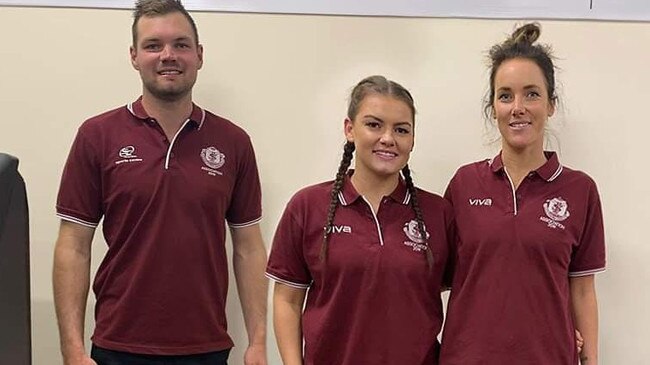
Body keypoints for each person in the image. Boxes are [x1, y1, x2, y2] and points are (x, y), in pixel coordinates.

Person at [52, 1, 268, 364]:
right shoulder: (97, 136)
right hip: (117, 346)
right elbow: (73, 246)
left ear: (199, 55)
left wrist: (259, 343)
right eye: (154, 45)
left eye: (181, 44)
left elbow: (248, 247)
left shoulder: (233, 142)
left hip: (206, 347)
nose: (168, 55)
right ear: (134, 56)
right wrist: (71, 350)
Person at [439, 23, 606, 365]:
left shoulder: (580, 190)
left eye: (531, 93)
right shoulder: (464, 184)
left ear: (551, 105)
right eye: (505, 95)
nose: (518, 107)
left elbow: (583, 290)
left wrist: (589, 358)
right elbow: (436, 279)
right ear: (493, 107)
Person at [266, 75, 455, 365]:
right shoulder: (307, 206)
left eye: (401, 129)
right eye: (374, 124)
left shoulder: (439, 213)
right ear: (350, 129)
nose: (388, 138)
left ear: (413, 139)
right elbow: (287, 300)